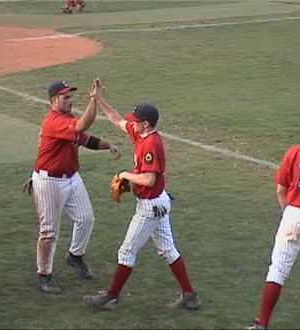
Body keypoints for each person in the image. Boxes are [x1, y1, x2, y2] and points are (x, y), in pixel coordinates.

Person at [84, 79, 201, 310]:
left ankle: (111, 297)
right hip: (158, 201)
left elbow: (149, 179)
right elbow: (117, 119)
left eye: (136, 120)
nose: (132, 122)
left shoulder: (151, 145)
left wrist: (125, 174)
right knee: (168, 250)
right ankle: (190, 295)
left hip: (150, 206)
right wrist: (99, 100)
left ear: (146, 124)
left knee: (127, 251)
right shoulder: (141, 135)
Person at [30, 80, 120, 294]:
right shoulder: (53, 121)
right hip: (49, 181)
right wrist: (94, 100)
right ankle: (44, 274)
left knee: (86, 218)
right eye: (65, 97)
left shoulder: (66, 119)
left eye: (70, 97)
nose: (70, 100)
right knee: (49, 231)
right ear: (54, 100)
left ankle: (75, 256)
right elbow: (82, 126)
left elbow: (84, 139)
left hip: (71, 177)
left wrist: (107, 145)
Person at [247, 107, 300, 330]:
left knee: (277, 270)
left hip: (293, 213)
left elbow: (280, 189)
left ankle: (263, 324)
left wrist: (287, 212)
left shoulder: (295, 151)